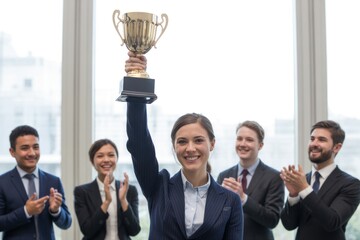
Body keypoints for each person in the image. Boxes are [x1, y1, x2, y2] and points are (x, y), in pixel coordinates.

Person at [125, 52, 243, 240]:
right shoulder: (158, 187)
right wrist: (136, 79)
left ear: (212, 144)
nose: (190, 148)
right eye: (182, 141)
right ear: (174, 146)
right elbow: (139, 143)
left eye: (198, 140)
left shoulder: (230, 201)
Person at [280, 120, 360, 240]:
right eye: (312, 139)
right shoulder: (303, 179)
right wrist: (293, 195)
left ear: (337, 147)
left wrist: (304, 189)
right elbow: (289, 225)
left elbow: (332, 221)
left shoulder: (351, 184)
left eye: (321, 140)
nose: (314, 143)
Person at [0, 125, 72, 239]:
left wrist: (56, 210)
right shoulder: (2, 183)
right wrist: (26, 211)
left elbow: (66, 223)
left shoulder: (53, 181)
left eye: (36, 147)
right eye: (25, 148)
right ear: (12, 152)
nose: (32, 153)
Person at [217, 120, 284, 240]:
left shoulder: (274, 177)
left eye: (249, 140)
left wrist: (243, 198)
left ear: (260, 145)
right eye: (239, 139)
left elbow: (272, 220)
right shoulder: (224, 176)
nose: (242, 144)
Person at [74, 138, 141, 240]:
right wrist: (107, 202)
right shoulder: (82, 192)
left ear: (116, 159)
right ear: (92, 161)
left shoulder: (130, 190)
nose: (106, 160)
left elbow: (134, 230)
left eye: (111, 155)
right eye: (100, 156)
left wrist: (123, 200)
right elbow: (87, 230)